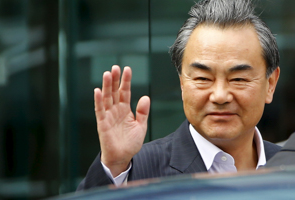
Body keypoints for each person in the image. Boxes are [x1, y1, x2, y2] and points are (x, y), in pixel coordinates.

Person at [78, 0, 281, 190]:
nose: (220, 96)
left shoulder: (287, 167)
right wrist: (114, 165)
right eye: (203, 78)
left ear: (270, 84)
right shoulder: (134, 171)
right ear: (182, 82)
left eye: (238, 79)